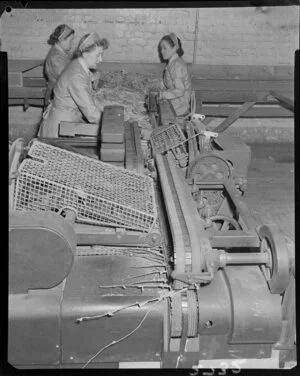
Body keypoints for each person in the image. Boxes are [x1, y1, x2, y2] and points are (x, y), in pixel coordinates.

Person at [38, 32, 109, 138]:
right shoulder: (76, 76)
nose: (100, 59)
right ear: (85, 54)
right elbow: (91, 115)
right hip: (60, 128)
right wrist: (111, 123)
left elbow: (88, 97)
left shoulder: (78, 65)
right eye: (98, 55)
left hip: (67, 123)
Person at [157, 33, 192, 117]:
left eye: (165, 48)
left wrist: (162, 95)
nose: (162, 51)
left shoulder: (177, 65)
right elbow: (171, 83)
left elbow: (179, 90)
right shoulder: (173, 63)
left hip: (179, 108)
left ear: (175, 48)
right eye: (161, 48)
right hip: (176, 104)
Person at [44, 24, 75, 106]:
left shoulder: (64, 52)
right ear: (62, 40)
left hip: (62, 94)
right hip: (56, 97)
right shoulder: (56, 57)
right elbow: (67, 79)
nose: (71, 44)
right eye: (70, 40)